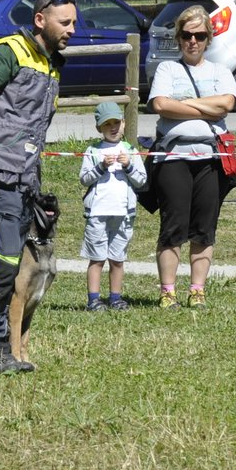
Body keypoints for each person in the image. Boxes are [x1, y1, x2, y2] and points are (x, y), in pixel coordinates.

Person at [0, 0, 75, 373]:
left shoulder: (52, 63)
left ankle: (3, 345)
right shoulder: (9, 51)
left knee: (7, 266)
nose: (72, 29)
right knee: (2, 265)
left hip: (24, 181)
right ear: (40, 20)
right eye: (65, 22)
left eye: (75, 22)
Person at [148, 4, 236, 310]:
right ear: (179, 37)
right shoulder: (167, 69)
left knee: (204, 227)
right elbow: (161, 105)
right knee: (173, 227)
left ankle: (197, 290)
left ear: (208, 38)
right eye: (187, 35)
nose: (193, 41)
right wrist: (206, 106)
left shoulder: (220, 71)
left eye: (199, 35)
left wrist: (186, 101)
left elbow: (226, 104)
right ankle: (168, 291)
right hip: (173, 157)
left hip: (210, 158)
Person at [79, 99, 146, 312]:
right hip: (98, 213)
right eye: (107, 124)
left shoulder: (130, 150)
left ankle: (116, 298)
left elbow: (142, 180)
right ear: (99, 127)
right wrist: (100, 167)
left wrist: (128, 166)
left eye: (116, 122)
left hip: (124, 214)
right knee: (97, 258)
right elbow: (84, 179)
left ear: (124, 123)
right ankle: (94, 299)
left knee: (117, 259)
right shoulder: (93, 150)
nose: (113, 128)